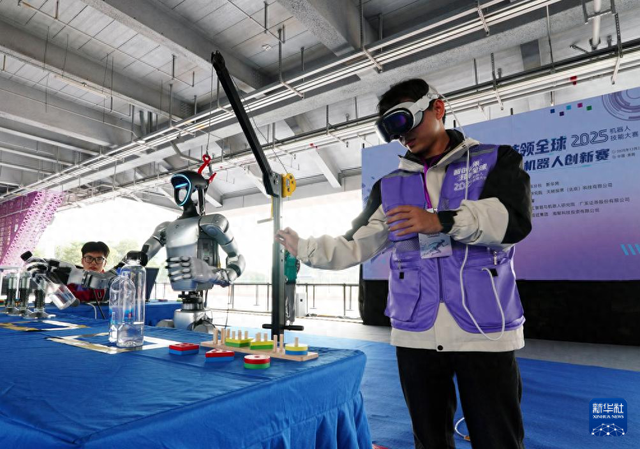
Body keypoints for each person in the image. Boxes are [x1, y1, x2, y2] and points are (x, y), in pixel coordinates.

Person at [276, 79, 532, 449]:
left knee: (498, 439)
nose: (402, 136)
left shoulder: (496, 160)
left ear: (437, 108)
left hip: (484, 329)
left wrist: (441, 221)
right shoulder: (390, 186)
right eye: (392, 130)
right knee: (428, 439)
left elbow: (513, 220)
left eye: (405, 120)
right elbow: (357, 243)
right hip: (416, 331)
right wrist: (305, 247)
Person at [284, 249, 301, 323]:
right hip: (283, 281)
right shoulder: (283, 254)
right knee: (282, 302)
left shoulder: (294, 254)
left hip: (291, 281)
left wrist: (293, 275)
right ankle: (284, 318)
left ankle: (291, 319)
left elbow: (297, 267)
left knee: (291, 302)